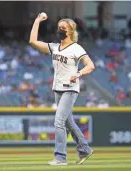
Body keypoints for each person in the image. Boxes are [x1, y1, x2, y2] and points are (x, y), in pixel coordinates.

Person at [29, 13, 95, 166]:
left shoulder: (76, 48)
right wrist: (38, 20)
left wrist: (78, 73)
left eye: (63, 28)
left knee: (59, 121)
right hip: (57, 89)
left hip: (70, 89)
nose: (60, 30)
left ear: (70, 31)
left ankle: (60, 157)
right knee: (68, 122)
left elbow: (90, 65)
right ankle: (84, 148)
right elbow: (32, 41)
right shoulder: (54, 47)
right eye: (59, 28)